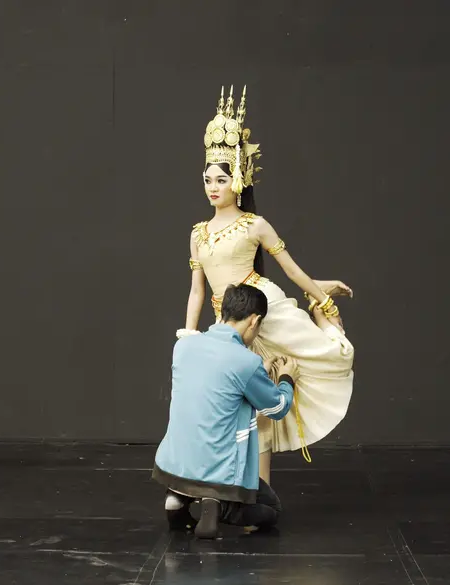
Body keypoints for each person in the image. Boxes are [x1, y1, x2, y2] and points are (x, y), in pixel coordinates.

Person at [176, 85, 355, 484]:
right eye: (207, 179)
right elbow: (197, 291)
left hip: (263, 312)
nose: (212, 187)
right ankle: (234, 487)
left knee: (317, 363)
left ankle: (261, 493)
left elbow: (290, 270)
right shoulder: (198, 233)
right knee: (233, 403)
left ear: (237, 179)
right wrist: (188, 334)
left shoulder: (254, 224)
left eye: (220, 179)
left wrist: (320, 296)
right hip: (226, 324)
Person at [153, 283, 299, 538]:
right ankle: (219, 507)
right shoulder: (245, 361)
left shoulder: (184, 347)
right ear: (254, 321)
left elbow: (218, 387)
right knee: (271, 509)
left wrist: (257, 373)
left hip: (175, 463)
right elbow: (277, 407)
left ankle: (178, 497)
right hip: (218, 468)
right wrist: (287, 379)